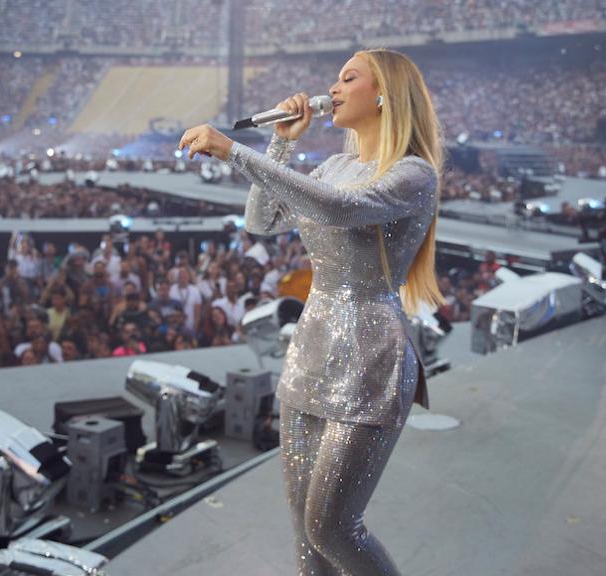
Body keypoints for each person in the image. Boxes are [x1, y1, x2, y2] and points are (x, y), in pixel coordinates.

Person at [180, 48, 444, 575]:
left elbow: (339, 208)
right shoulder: (336, 165)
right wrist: (280, 142)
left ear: (385, 93)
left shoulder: (414, 173)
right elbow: (261, 220)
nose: (334, 89)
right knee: (305, 531)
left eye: (349, 78)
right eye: (336, 79)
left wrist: (234, 151)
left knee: (332, 526)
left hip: (370, 360)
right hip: (310, 353)